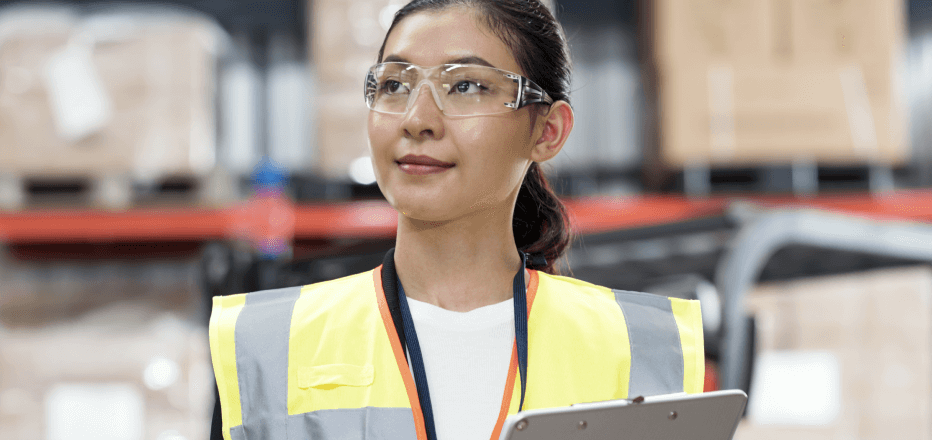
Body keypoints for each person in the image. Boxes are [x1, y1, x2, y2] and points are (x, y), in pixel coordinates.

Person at [207, 1, 705, 439]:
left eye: (465, 85)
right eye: (395, 84)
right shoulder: (266, 345)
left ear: (548, 131)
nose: (416, 118)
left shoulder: (644, 345)